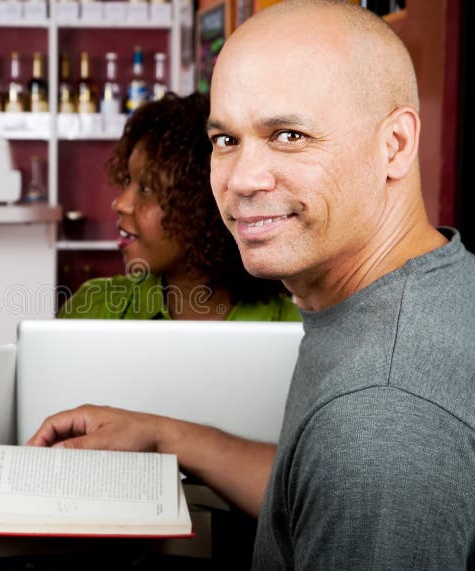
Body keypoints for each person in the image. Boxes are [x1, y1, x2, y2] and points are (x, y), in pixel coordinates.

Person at [29, 0, 475, 568]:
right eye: (226, 141)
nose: (241, 179)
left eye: (289, 135)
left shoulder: (380, 419)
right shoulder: (428, 287)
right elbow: (314, 498)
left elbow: (361, 465)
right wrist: (166, 435)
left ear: (395, 145)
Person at [59, 92, 300, 321]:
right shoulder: (94, 308)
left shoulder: (290, 327)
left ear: (205, 206)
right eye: (127, 182)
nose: (120, 204)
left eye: (146, 189)